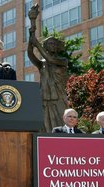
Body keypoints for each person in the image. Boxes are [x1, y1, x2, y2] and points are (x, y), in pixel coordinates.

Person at [28, 4, 68, 132]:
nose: (51, 45)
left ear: (57, 47)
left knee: (61, 125)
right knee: (44, 127)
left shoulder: (62, 61)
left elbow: (50, 59)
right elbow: (30, 54)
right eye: (49, 43)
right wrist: (32, 27)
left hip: (59, 98)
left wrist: (37, 43)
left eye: (54, 43)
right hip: (44, 99)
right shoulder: (42, 63)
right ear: (46, 47)